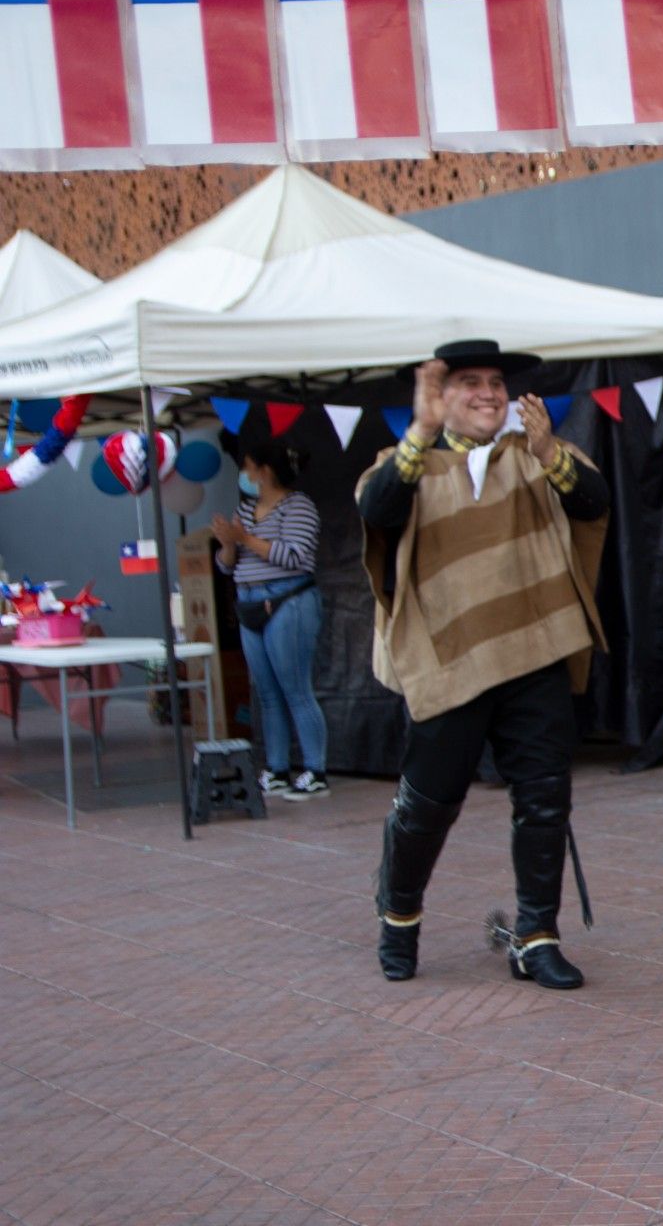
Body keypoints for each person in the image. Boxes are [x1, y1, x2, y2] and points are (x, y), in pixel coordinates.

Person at [357, 339, 611, 990]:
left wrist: (550, 450)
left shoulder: (535, 459)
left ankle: (536, 937)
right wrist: (418, 433)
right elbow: (376, 509)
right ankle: (400, 917)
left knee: (545, 800)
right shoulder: (406, 464)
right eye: (468, 382)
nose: (488, 393)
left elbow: (593, 501)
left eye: (496, 382)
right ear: (440, 398)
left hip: (537, 649)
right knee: (428, 806)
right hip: (452, 664)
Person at [211, 440, 328, 800]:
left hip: (288, 599)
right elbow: (226, 565)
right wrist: (228, 544)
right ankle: (276, 768)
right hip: (248, 600)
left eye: (249, 466)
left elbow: (294, 556)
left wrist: (244, 537)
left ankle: (315, 769)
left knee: (296, 688)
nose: (245, 475)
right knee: (267, 693)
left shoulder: (298, 506)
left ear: (266, 470)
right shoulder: (245, 510)